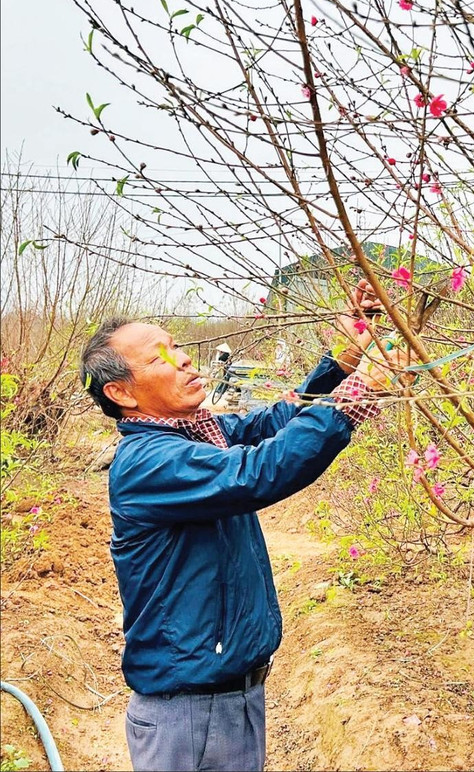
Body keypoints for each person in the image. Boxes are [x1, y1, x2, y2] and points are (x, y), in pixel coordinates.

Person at [79, 283, 402, 772]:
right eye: (160, 357)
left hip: (231, 695)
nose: (184, 359)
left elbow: (275, 422)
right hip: (186, 712)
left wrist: (346, 355)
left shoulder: (200, 436)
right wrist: (361, 392)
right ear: (121, 392)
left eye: (178, 346)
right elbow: (257, 472)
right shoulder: (149, 463)